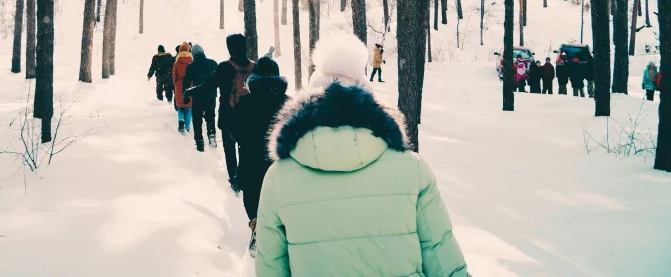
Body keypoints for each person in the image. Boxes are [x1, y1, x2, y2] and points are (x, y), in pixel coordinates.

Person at [255, 33, 469, 277]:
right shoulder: (412, 169)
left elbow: (271, 265)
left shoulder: (279, 178)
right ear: (368, 98)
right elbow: (440, 252)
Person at [232, 56, 288, 257]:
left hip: (250, 163)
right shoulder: (289, 104)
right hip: (280, 165)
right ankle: (280, 236)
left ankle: (257, 225)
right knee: (280, 202)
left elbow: (235, 132)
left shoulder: (245, 102)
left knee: (254, 199)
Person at [186, 34, 254, 193]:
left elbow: (209, 86)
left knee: (230, 150)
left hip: (229, 116)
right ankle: (245, 177)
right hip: (249, 117)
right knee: (245, 148)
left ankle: (235, 180)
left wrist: (191, 91)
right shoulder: (253, 67)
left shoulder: (225, 67)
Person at [183, 44, 219, 151]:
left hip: (197, 96)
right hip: (211, 96)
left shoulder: (191, 66)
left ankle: (199, 141)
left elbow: (186, 83)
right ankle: (211, 134)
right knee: (210, 116)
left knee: (197, 119)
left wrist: (186, 96)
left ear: (193, 54)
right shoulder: (213, 63)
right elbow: (218, 79)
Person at [172, 42, 194, 134]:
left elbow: (174, 76)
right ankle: (187, 127)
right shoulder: (192, 61)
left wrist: (176, 83)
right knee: (189, 107)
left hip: (179, 85)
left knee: (180, 106)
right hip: (190, 84)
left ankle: (181, 120)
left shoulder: (176, 63)